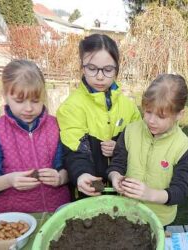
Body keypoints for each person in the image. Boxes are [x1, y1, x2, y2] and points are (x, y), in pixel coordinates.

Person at [57, 34, 141, 198]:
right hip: (91, 188)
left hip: (123, 187)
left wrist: (119, 146)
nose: (100, 76)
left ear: (117, 68)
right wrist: (82, 175)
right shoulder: (71, 107)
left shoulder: (129, 107)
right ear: (82, 66)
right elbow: (75, 152)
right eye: (92, 68)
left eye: (108, 70)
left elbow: (141, 142)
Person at [0, 60, 70, 213]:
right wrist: (9, 180)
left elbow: (67, 165)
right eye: (19, 101)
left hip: (57, 210)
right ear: (5, 95)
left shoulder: (56, 125)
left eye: (35, 101)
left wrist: (61, 178)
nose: (28, 108)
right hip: (15, 216)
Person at [107, 74, 188, 226]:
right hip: (127, 212)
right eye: (147, 111)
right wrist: (115, 177)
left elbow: (180, 191)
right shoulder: (130, 132)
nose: (151, 120)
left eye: (161, 116)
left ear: (179, 114)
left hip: (159, 220)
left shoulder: (183, 146)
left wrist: (150, 194)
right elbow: (117, 164)